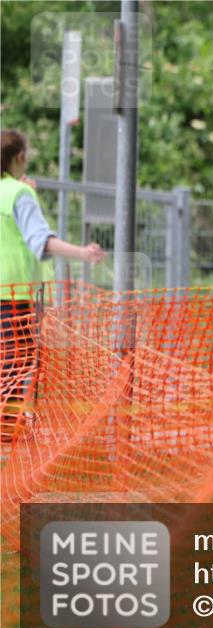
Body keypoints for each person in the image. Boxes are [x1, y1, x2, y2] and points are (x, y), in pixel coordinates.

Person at [1, 129, 106, 447]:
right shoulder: (19, 195)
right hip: (12, 296)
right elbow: (41, 241)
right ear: (21, 157)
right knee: (14, 365)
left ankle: (9, 427)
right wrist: (82, 254)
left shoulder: (14, 192)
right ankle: (6, 430)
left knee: (9, 363)